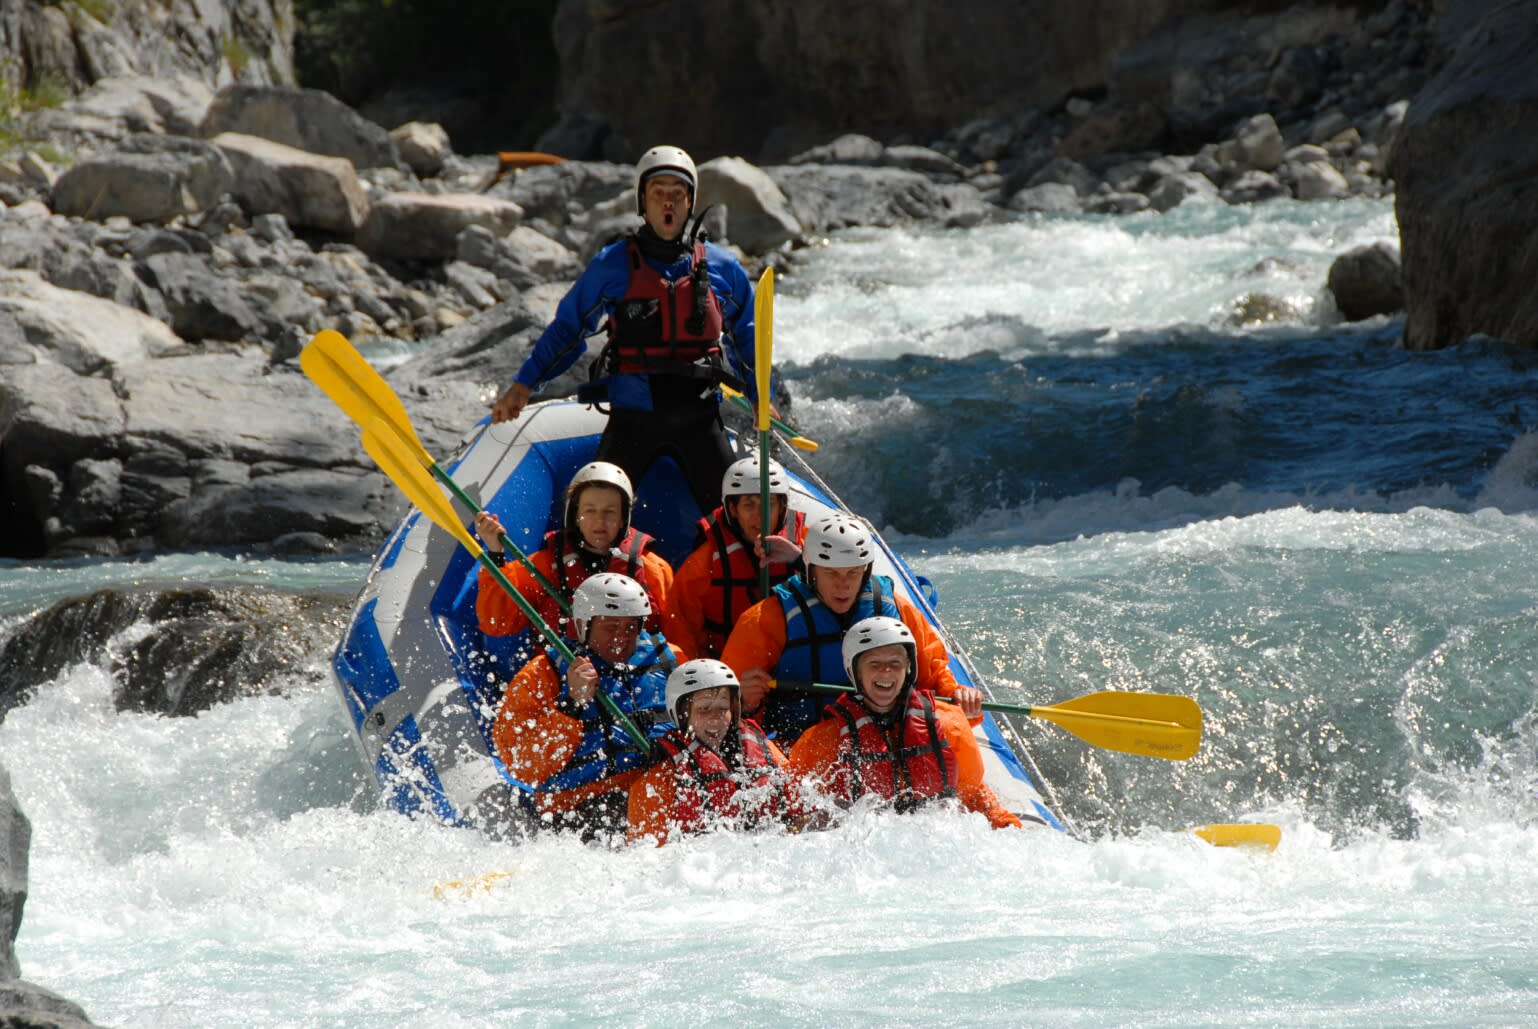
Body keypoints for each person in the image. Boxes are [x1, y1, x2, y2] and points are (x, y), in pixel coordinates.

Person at [489, 144, 772, 515]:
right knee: (592, 514)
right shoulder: (613, 266)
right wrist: (525, 384)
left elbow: (747, 335)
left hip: (700, 417)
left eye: (677, 194)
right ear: (643, 202)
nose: (667, 203)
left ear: (690, 202)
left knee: (734, 517)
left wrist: (759, 396)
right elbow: (569, 329)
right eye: (658, 194)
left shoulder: (722, 267)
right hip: (633, 417)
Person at [719, 512, 983, 745]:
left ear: (866, 572)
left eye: (852, 573)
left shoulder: (895, 609)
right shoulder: (766, 619)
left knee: (951, 726)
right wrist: (744, 702)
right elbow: (719, 709)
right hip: (803, 744)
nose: (842, 585)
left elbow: (934, 673)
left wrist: (956, 696)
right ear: (811, 572)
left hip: (883, 742)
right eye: (832, 574)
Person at [492, 572, 679, 839]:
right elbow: (525, 766)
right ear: (583, 626)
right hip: (575, 807)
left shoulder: (666, 657)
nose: (623, 638)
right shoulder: (543, 675)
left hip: (649, 791)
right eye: (611, 627)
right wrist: (571, 705)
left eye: (630, 627)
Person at [788, 617, 1021, 830]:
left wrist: (1005, 824)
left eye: (895, 663)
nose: (886, 671)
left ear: (909, 669)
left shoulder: (949, 725)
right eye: (874, 664)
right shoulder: (823, 741)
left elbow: (972, 793)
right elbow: (803, 814)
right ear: (855, 672)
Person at [474, 461, 673, 647]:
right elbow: (496, 623)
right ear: (576, 516)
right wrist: (495, 553)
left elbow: (675, 637)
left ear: (624, 518)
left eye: (610, 512)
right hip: (564, 671)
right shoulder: (545, 564)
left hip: (630, 674)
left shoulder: (653, 568)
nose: (599, 521)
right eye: (590, 511)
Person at [627, 658, 798, 846]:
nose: (715, 717)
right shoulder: (659, 781)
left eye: (722, 708)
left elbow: (802, 815)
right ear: (682, 714)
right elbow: (648, 857)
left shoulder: (765, 751)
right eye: (704, 709)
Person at [667, 455, 807, 660]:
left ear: (782, 508)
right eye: (749, 505)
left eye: (769, 504)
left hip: (790, 665)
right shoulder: (703, 565)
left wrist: (799, 561)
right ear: (733, 509)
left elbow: (841, 588)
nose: (759, 516)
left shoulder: (806, 546)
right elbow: (681, 633)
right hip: (728, 669)